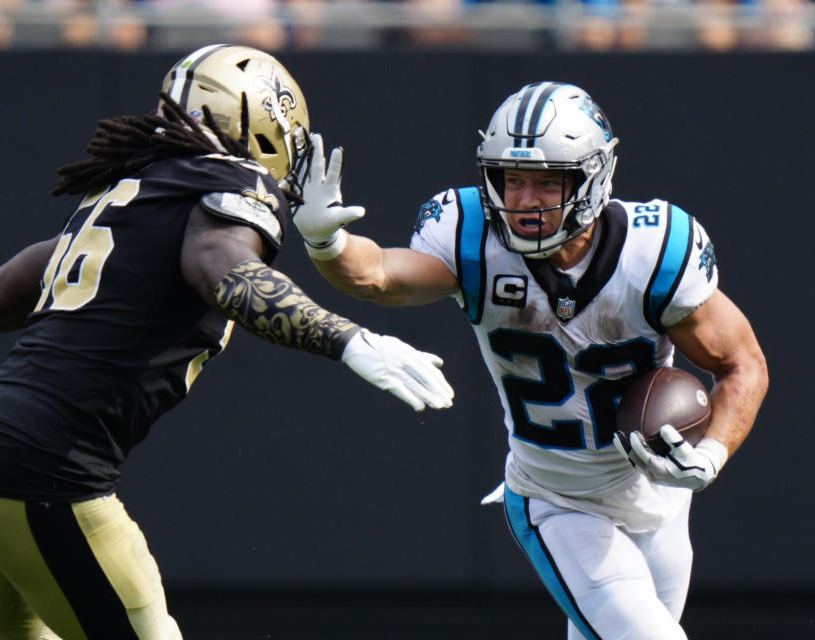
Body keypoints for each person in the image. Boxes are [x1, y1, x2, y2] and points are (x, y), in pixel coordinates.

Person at [0, 44, 454, 640]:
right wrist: (349, 340)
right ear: (260, 125)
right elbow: (225, 274)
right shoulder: (231, 182)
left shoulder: (128, 193)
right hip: (46, 472)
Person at [291, 81, 767, 638]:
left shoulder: (654, 249)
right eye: (510, 180)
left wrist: (711, 454)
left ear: (594, 176)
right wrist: (330, 245)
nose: (523, 200)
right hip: (558, 500)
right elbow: (380, 277)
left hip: (658, 498)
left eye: (547, 182)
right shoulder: (471, 235)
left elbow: (742, 363)